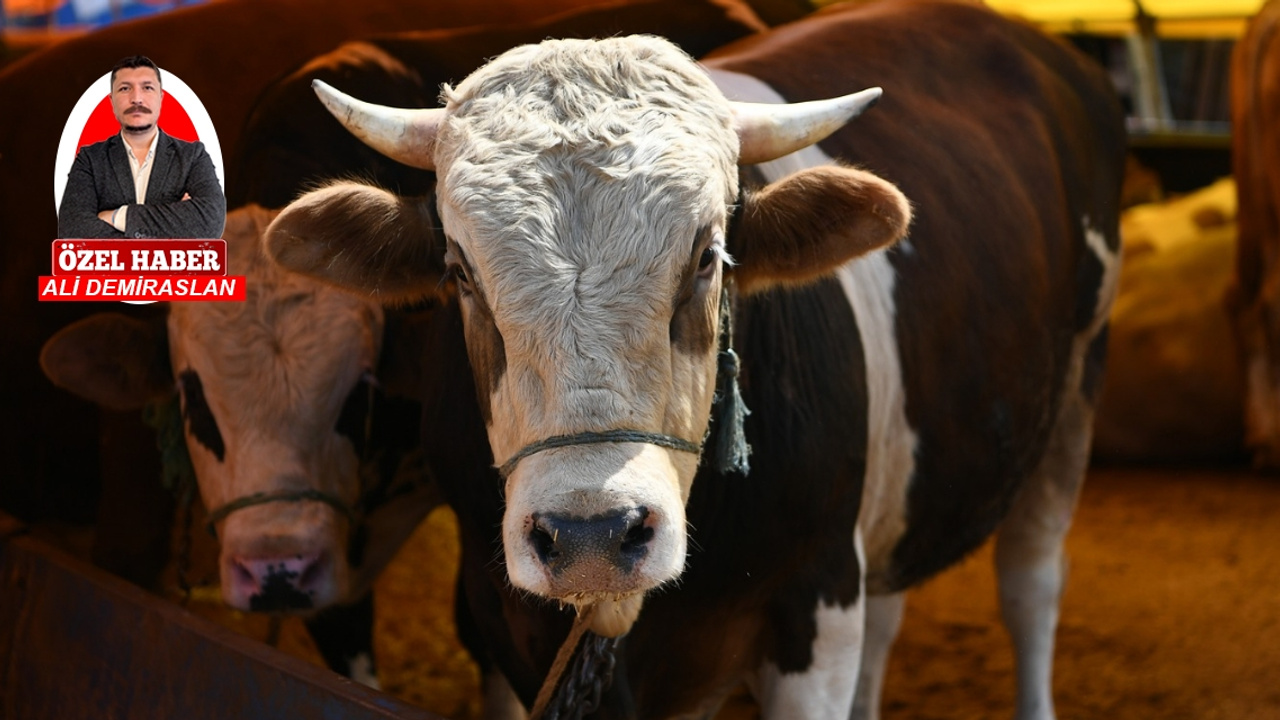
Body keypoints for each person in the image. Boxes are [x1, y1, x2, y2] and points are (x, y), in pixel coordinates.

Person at [57, 55, 226, 239]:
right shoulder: (90, 159)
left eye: (147, 88)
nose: (136, 98)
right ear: (112, 101)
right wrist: (175, 222)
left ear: (161, 98)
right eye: (125, 89)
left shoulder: (193, 156)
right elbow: (73, 228)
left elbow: (211, 220)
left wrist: (118, 216)